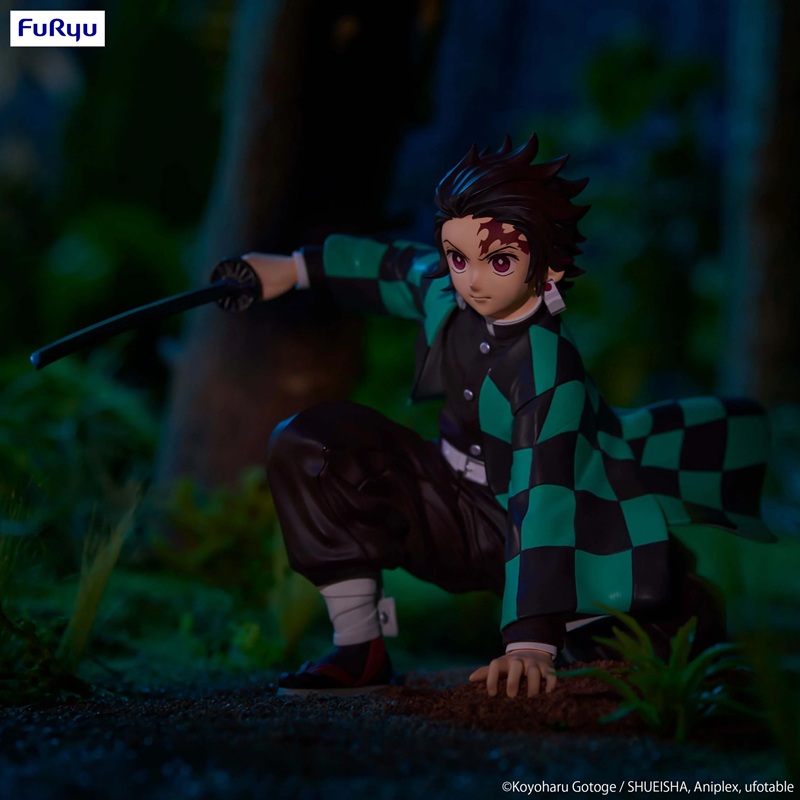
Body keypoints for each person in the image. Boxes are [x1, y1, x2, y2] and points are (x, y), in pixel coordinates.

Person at [224, 134, 771, 698]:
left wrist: (530, 640)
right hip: (450, 498)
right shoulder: (448, 294)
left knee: (614, 646)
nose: (473, 279)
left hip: (559, 525)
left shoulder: (547, 368)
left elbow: (545, 497)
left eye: (500, 261)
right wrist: (292, 269)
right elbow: (394, 268)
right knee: (313, 444)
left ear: (549, 268)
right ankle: (360, 645)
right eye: (458, 257)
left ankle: (682, 614)